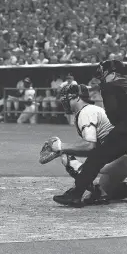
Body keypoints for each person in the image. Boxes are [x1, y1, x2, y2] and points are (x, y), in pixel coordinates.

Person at [52, 60, 127, 207]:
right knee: (108, 187)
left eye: (104, 75)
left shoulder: (109, 86)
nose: (102, 79)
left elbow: (113, 115)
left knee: (95, 158)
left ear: (112, 74)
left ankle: (76, 194)